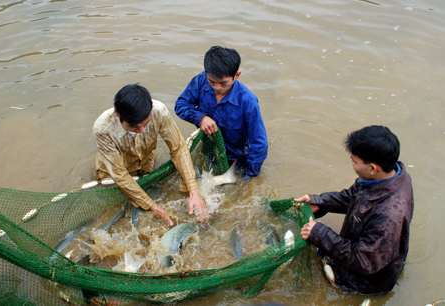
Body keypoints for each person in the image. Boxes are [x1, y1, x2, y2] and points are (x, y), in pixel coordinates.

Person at [295, 125, 414, 294]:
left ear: (373, 168)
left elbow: (364, 260)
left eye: (354, 161)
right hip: (378, 252)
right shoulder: (390, 176)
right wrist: (319, 202)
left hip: (366, 281)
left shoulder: (388, 215)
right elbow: (352, 196)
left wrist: (320, 234)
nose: (351, 163)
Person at [93, 84, 209, 226]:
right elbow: (119, 174)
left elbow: (178, 148)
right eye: (134, 127)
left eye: (146, 123)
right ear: (117, 114)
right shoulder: (102, 129)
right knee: (117, 213)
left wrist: (194, 191)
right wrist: (151, 205)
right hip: (112, 176)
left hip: (146, 166)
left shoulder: (159, 111)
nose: (141, 130)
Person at [174, 46, 268, 179]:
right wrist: (201, 118)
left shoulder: (247, 101)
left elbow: (259, 142)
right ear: (206, 73)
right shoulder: (201, 80)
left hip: (235, 157)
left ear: (237, 75)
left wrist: (248, 177)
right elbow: (181, 105)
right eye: (212, 81)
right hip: (210, 149)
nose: (217, 88)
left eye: (223, 83)